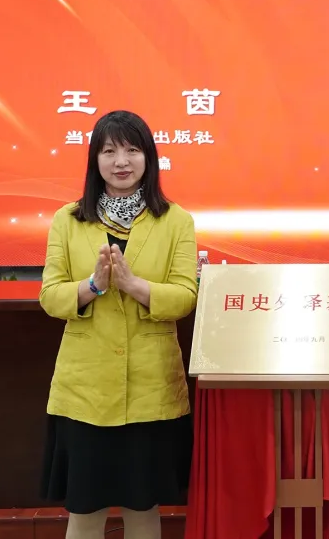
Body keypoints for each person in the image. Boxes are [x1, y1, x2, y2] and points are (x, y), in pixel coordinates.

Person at [38, 110, 198, 539]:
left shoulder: (176, 221)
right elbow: (50, 296)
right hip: (85, 391)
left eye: (131, 150)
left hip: (150, 388)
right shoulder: (68, 219)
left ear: (149, 157)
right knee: (85, 511)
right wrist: (93, 286)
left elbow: (185, 296)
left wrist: (133, 285)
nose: (121, 161)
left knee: (143, 509)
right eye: (109, 151)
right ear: (95, 159)